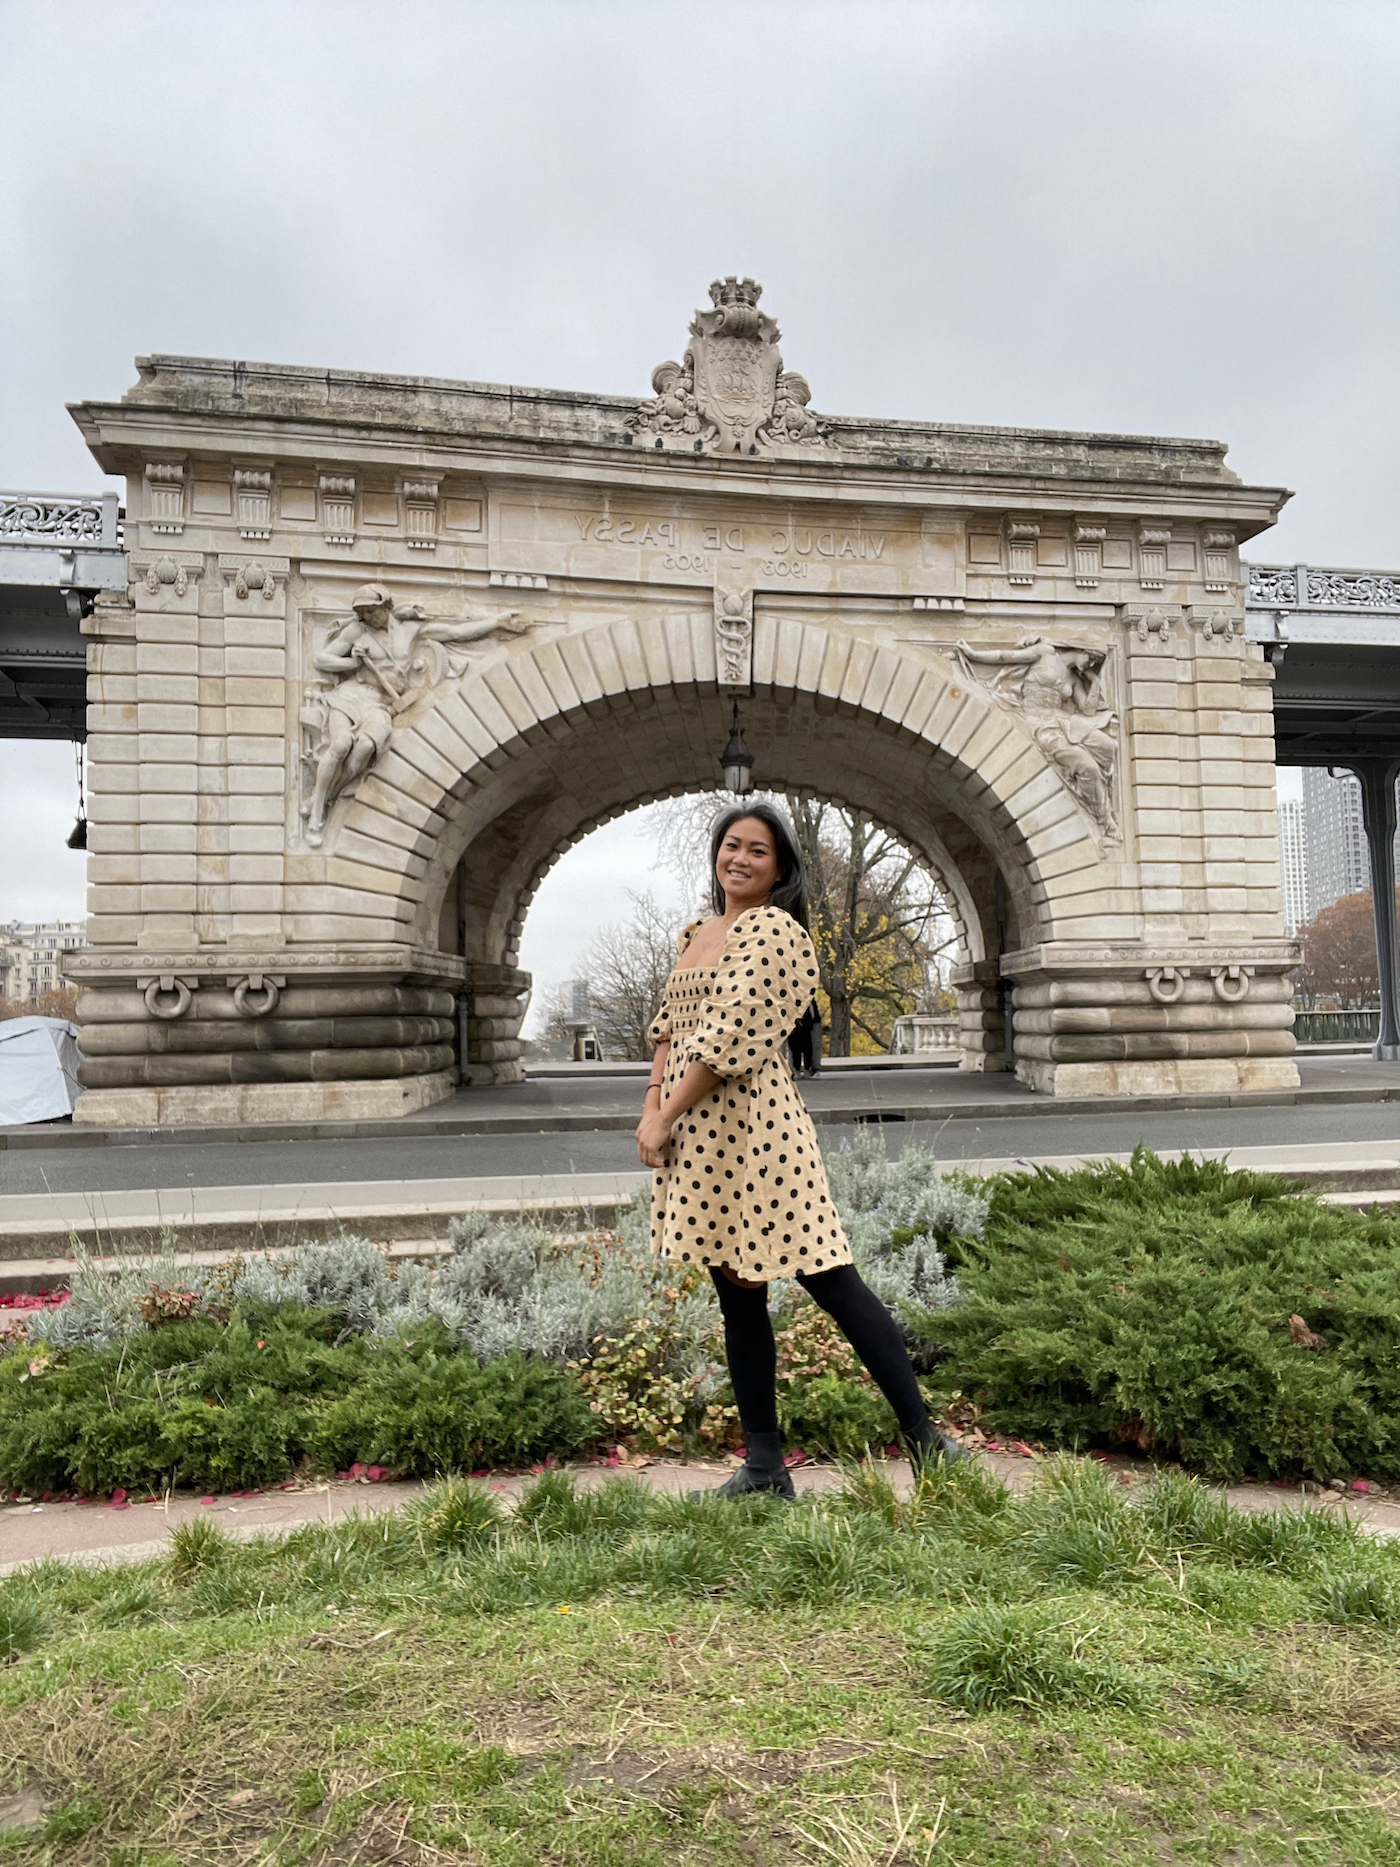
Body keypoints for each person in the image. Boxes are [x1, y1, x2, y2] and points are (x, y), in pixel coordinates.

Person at [635, 801, 964, 1498]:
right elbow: (668, 1028)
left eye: (758, 850)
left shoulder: (776, 932)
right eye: (732, 845)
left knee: (829, 1276)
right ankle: (763, 1467)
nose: (741, 858)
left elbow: (727, 1037)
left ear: (779, 867)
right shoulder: (697, 931)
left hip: (760, 1134)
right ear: (716, 855)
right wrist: (650, 1110)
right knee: (737, 1295)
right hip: (700, 1134)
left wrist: (664, 1115)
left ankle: (926, 1440)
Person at [788, 999, 822, 1077]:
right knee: (797, 1049)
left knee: (809, 1048)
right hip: (800, 1024)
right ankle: (797, 1069)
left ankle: (809, 1068)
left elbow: (813, 1015)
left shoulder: (808, 998)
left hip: (806, 1024)